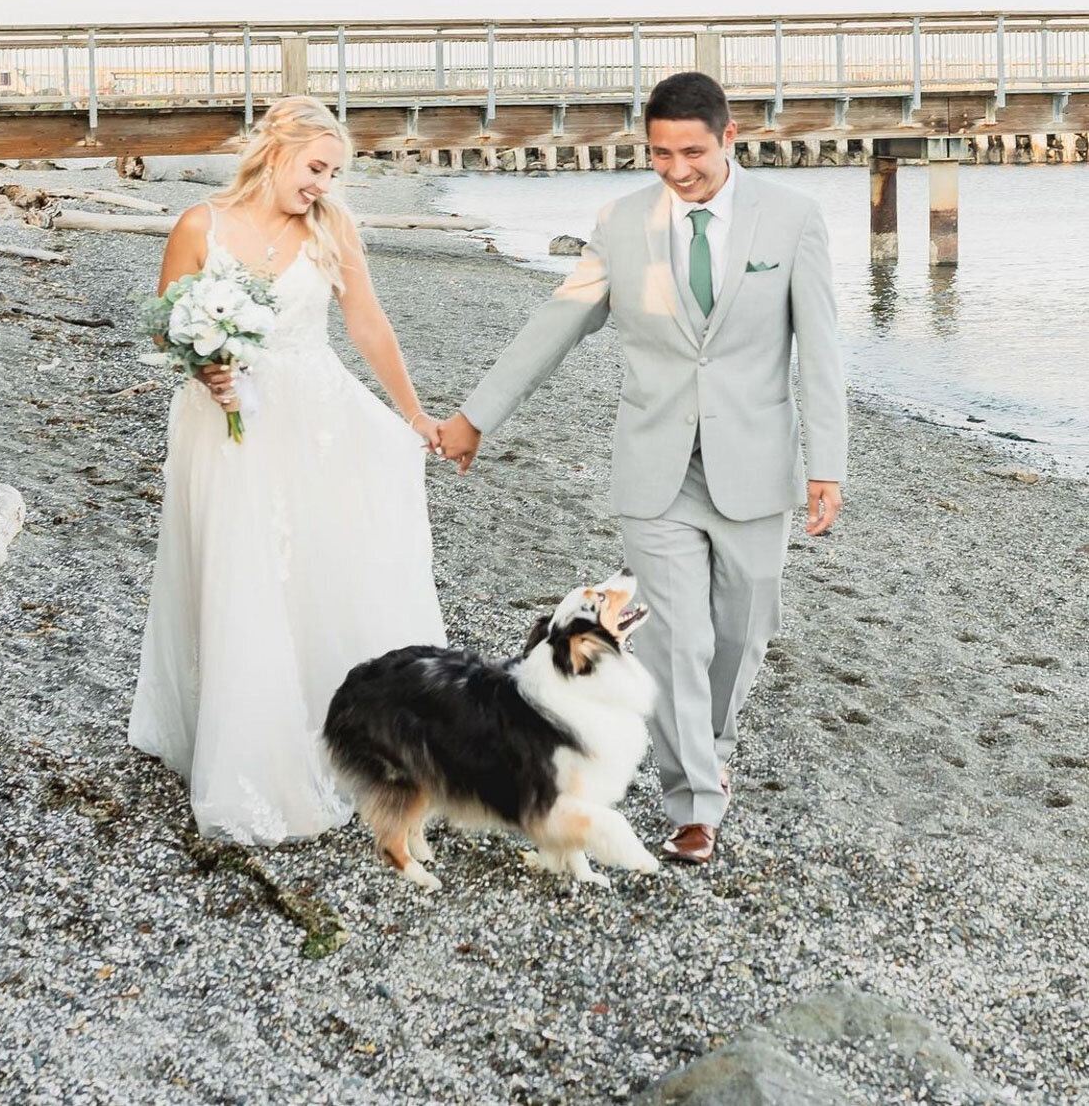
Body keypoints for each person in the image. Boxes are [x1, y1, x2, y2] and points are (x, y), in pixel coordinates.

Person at [438, 71, 846, 865]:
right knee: (676, 639)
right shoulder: (620, 223)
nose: (676, 168)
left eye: (691, 151)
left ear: (731, 138)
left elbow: (822, 351)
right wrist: (474, 415)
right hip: (654, 471)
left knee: (744, 631)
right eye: (659, 152)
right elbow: (555, 322)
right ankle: (693, 800)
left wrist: (825, 466)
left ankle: (710, 743)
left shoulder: (793, 219)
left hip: (757, 469)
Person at [129, 97, 446, 844]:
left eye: (334, 173)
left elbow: (366, 321)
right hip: (227, 426)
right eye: (315, 168)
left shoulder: (332, 226)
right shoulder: (199, 226)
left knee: (322, 570)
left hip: (317, 418)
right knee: (244, 576)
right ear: (276, 153)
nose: (323, 185)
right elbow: (167, 322)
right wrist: (203, 369)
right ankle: (249, 747)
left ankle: (342, 730)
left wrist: (414, 414)